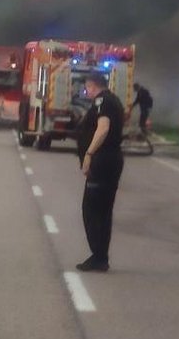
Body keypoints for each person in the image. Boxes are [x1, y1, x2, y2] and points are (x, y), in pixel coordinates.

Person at [75, 73, 125, 272]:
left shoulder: (102, 101)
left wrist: (89, 153)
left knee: (92, 210)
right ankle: (100, 256)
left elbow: (103, 129)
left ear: (92, 85)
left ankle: (98, 256)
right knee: (103, 211)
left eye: (87, 87)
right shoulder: (114, 100)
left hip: (103, 160)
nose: (86, 91)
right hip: (111, 160)